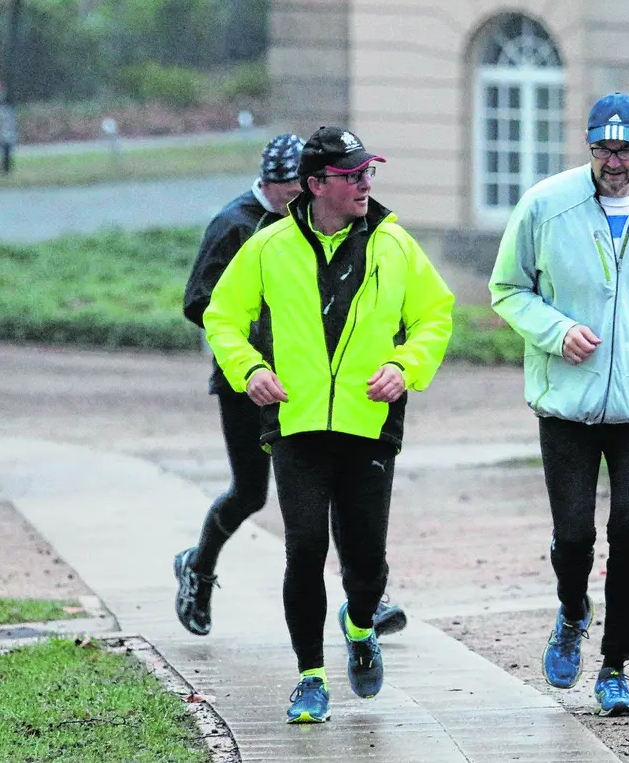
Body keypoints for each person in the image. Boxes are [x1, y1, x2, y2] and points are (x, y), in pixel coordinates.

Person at [202, 126, 455, 724]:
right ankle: (310, 676)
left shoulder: (393, 245)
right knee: (306, 547)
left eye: (369, 173)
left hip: (370, 423)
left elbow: (434, 315)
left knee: (366, 564)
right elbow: (222, 316)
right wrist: (249, 370)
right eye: (351, 175)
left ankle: (360, 624)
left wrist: (405, 365)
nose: (365, 183)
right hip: (297, 423)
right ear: (316, 185)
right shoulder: (268, 246)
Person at [489, 92, 629, 717]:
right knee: (574, 533)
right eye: (602, 148)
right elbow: (507, 288)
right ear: (588, 146)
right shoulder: (546, 204)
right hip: (567, 401)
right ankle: (570, 610)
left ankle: (615, 666)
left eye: (625, 148)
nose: (613, 161)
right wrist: (555, 330)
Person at [173, 134, 408, 640]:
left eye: (292, 189)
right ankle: (198, 566)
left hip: (314, 385)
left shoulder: (340, 226)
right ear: (271, 184)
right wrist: (259, 352)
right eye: (281, 190)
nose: (288, 200)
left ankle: (365, 598)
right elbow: (200, 302)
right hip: (247, 382)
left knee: (341, 487)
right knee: (252, 492)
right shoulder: (236, 226)